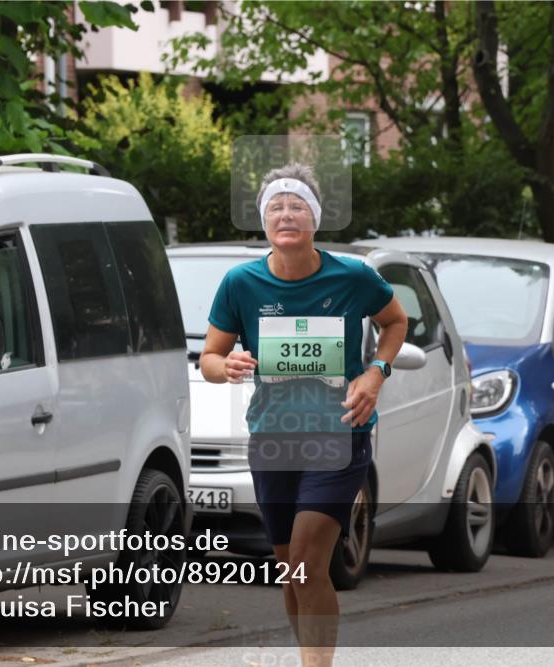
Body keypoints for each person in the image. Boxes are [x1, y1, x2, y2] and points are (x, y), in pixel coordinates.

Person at [200, 163, 408, 666]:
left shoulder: (353, 276)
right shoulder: (240, 283)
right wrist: (224, 364)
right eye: (276, 206)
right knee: (290, 569)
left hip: (339, 433)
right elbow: (208, 358)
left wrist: (376, 372)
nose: (286, 214)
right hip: (273, 436)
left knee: (309, 562)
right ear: (263, 221)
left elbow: (396, 321)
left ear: (315, 219)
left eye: (297, 206)